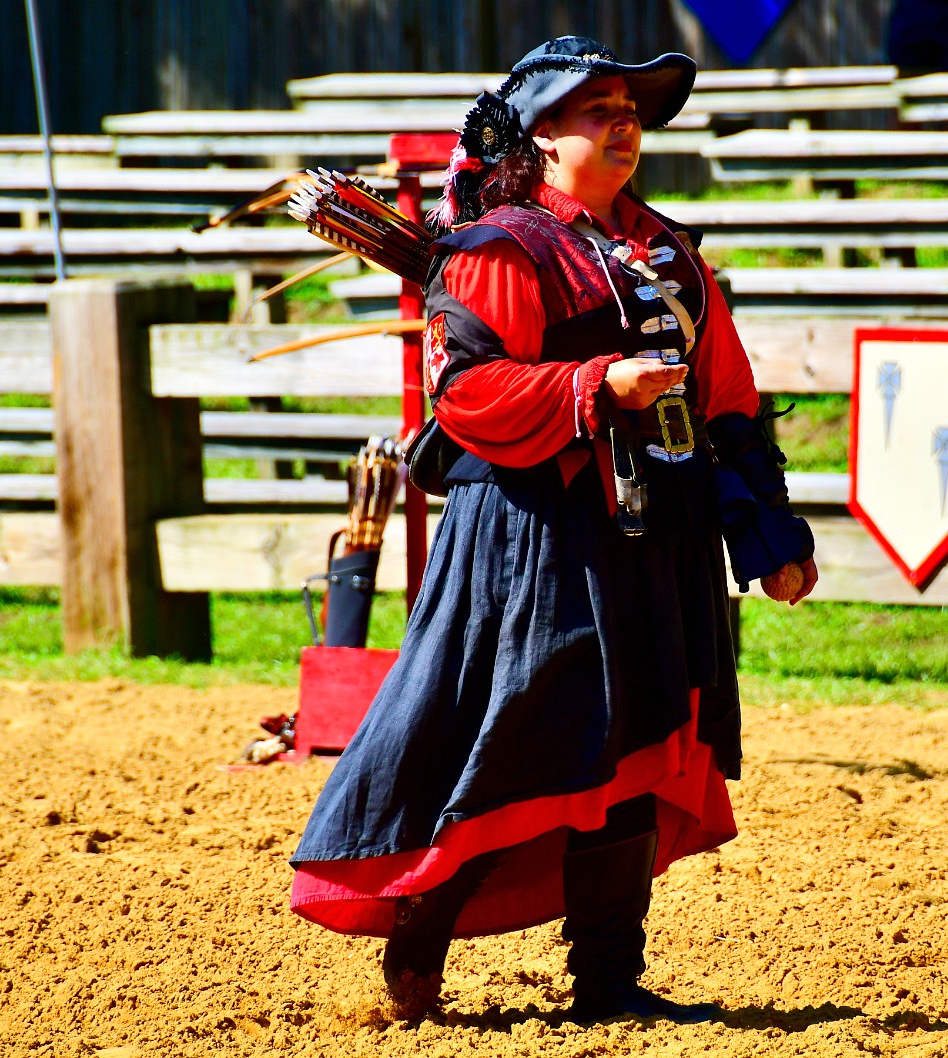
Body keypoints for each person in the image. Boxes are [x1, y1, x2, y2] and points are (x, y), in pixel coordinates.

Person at [288, 35, 818, 1025]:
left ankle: (609, 979)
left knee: (637, 743)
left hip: (653, 533)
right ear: (534, 139)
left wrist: (772, 536)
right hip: (529, 539)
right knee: (524, 736)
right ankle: (422, 930)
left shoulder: (669, 255)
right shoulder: (499, 248)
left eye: (630, 110)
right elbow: (466, 392)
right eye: (596, 109)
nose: (623, 124)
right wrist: (592, 385)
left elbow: (729, 401)